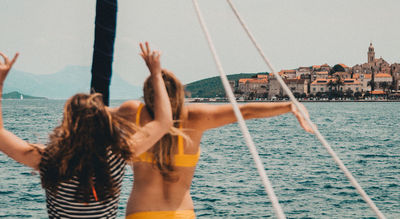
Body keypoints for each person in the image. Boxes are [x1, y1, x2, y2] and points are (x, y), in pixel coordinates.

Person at [0, 42, 173, 218]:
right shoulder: (118, 155)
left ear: (67, 124)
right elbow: (164, 122)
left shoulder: (49, 159)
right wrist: (156, 73)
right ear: (104, 123)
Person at [124, 69, 315, 219]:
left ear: (147, 94)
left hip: (141, 212)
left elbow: (98, 112)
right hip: (180, 214)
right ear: (178, 92)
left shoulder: (135, 114)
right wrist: (289, 106)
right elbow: (246, 111)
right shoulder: (193, 117)